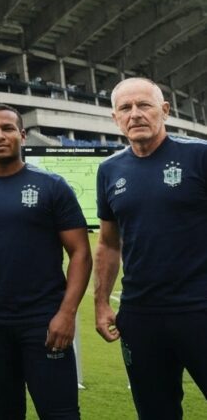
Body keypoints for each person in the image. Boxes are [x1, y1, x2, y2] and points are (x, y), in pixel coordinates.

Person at [0, 103, 91, 419]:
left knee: (61, 413)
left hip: (44, 320)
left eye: (8, 128)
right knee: (3, 412)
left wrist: (67, 314)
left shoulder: (52, 186)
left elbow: (80, 252)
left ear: (22, 136)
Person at [94, 77, 207, 418]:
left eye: (144, 105)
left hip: (200, 309)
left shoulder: (199, 156)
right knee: (155, 411)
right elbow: (108, 244)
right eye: (125, 108)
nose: (135, 114)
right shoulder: (110, 170)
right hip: (141, 315)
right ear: (115, 118)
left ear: (165, 111)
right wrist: (101, 303)